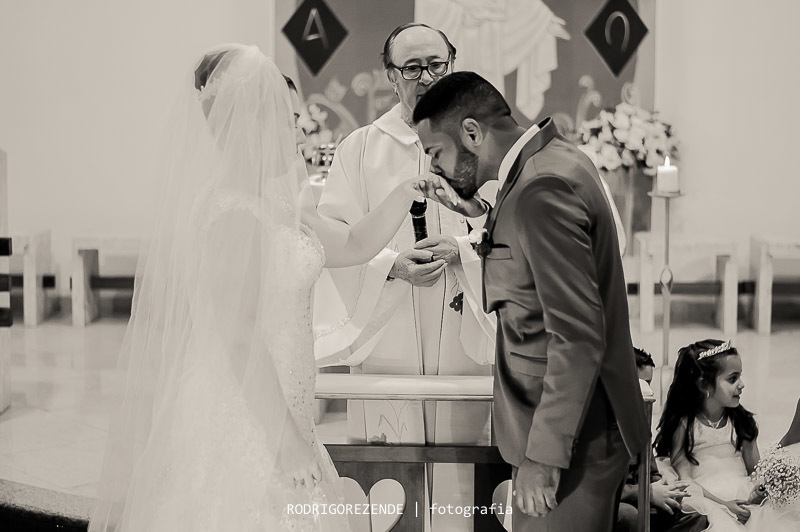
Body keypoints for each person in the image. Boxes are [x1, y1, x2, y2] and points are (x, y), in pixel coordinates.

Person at [89, 44, 427, 532]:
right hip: (246, 413)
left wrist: (409, 190)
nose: (300, 130)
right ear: (251, 125)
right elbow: (239, 334)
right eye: (289, 119)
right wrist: (285, 441)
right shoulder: (234, 217)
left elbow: (352, 243)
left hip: (282, 404)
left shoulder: (272, 203)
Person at [412, 71, 649, 531]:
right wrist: (482, 214)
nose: (434, 168)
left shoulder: (541, 190)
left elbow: (577, 337)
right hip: (569, 429)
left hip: (571, 438)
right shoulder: (547, 163)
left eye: (435, 152)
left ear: (473, 133)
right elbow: (530, 264)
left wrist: (543, 457)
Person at [312, 23, 495, 531]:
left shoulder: (485, 141)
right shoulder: (362, 148)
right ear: (390, 77)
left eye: (437, 64)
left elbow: (509, 228)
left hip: (465, 326)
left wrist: (461, 252)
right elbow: (333, 243)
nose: (428, 77)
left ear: (453, 63)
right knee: (391, 483)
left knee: (465, 465)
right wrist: (391, 265)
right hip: (388, 326)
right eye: (412, 68)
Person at [654, 339, 800, 531]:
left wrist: (759, 489)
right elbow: (686, 481)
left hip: (743, 496)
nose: (742, 384)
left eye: (740, 376)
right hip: (708, 498)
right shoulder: (685, 424)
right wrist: (724, 504)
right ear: (704, 385)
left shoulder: (742, 422)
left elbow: (754, 470)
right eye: (733, 379)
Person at [615, 347, 708, 532]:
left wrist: (664, 487)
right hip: (616, 501)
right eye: (641, 383)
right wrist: (647, 494)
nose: (647, 390)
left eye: (649, 382)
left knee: (696, 516)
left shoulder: (641, 418)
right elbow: (599, 486)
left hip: (642, 496)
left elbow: (650, 471)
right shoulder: (602, 422)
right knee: (630, 517)